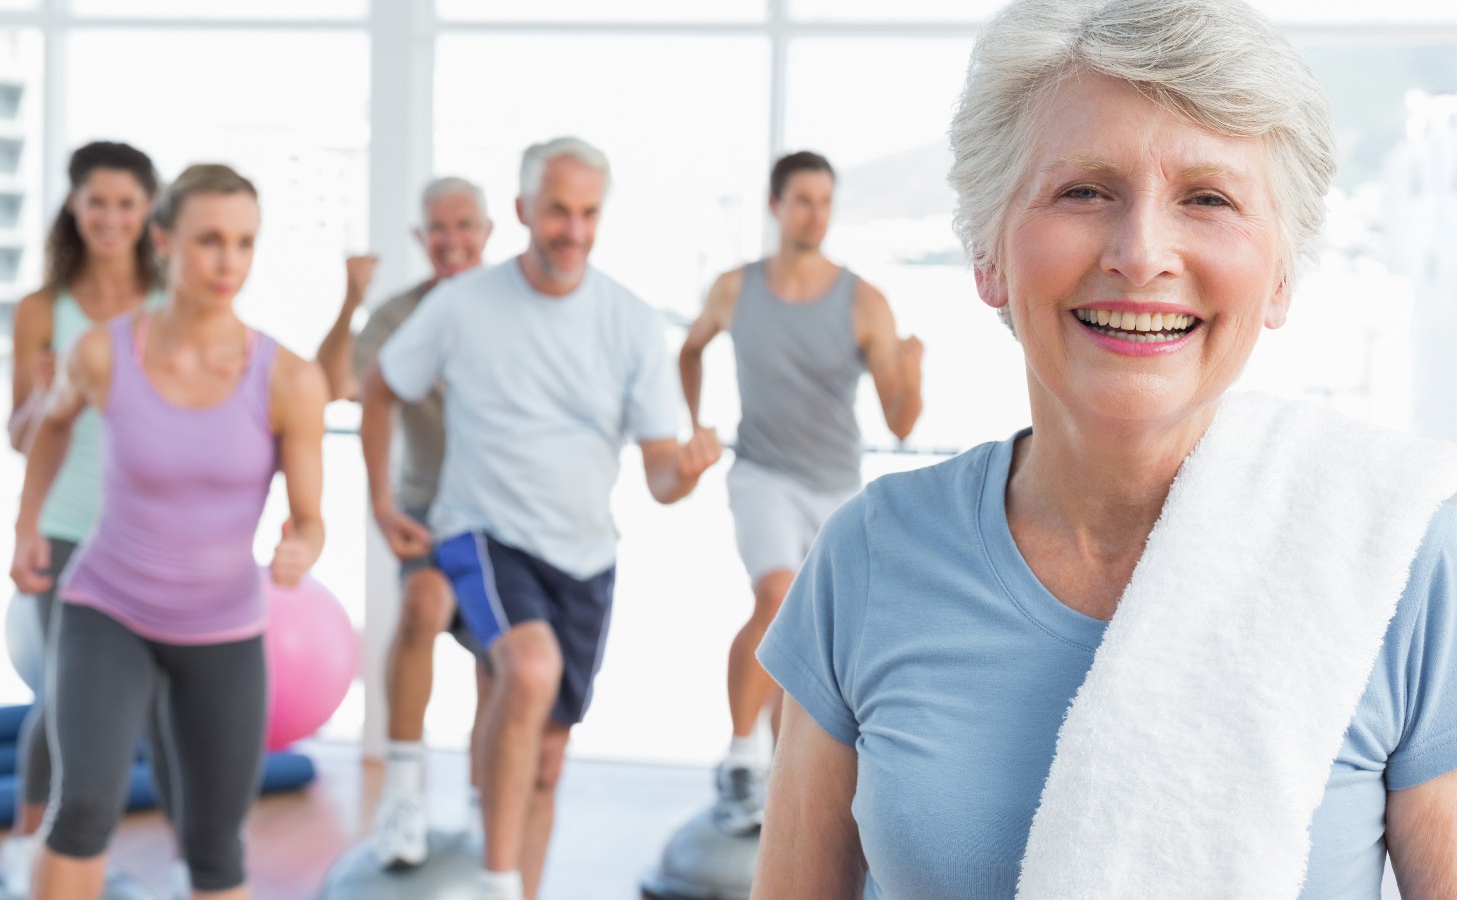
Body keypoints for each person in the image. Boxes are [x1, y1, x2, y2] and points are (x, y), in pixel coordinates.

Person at [754, 1, 1457, 897]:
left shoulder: (1395, 557)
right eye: (1085, 190)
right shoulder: (870, 554)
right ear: (987, 255)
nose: (1141, 253)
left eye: (1208, 198)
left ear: (1280, 275)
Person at [361, 136, 722, 900]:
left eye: (588, 212)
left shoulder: (628, 320)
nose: (574, 229)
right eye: (558, 210)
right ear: (523, 210)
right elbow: (382, 387)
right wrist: (382, 501)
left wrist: (683, 473)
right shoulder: (461, 304)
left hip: (585, 555)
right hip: (480, 531)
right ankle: (493, 880)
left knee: (548, 762)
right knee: (527, 669)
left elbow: (658, 475)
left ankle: (521, 886)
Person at [10, 163, 328, 900]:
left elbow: (311, 518)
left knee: (216, 844)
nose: (228, 262)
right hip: (107, 609)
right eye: (209, 240)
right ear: (164, 242)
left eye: (244, 243)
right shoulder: (103, 351)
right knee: (84, 808)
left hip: (222, 628)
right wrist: (28, 525)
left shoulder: (289, 379)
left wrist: (301, 545)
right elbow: (51, 425)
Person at [678, 150, 923, 835]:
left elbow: (901, 421)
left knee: (809, 643)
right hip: (760, 472)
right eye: (802, 200)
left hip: (835, 486)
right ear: (775, 206)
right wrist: (695, 422)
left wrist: (915, 373)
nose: (815, 214)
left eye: (825, 201)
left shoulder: (864, 300)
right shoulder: (734, 288)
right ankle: (736, 758)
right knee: (776, 595)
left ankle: (783, 774)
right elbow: (689, 350)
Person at [2, 140, 175, 897]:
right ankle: (28, 840)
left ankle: (161, 852)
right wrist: (44, 396)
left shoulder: (171, 306)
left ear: (148, 214)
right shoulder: (42, 310)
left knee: (153, 699)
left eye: (127, 204)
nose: (111, 218)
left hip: (154, 533)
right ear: (74, 205)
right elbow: (18, 435)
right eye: (97, 202)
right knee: (64, 694)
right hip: (68, 526)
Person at [313, 176, 495, 869]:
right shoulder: (399, 315)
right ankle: (402, 796)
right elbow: (334, 383)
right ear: (422, 240)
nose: (452, 241)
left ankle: (485, 810)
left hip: (503, 513)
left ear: (487, 232)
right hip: (426, 508)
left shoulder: (514, 308)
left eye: (465, 226)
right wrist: (351, 299)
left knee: (496, 666)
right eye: (438, 229)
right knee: (421, 606)